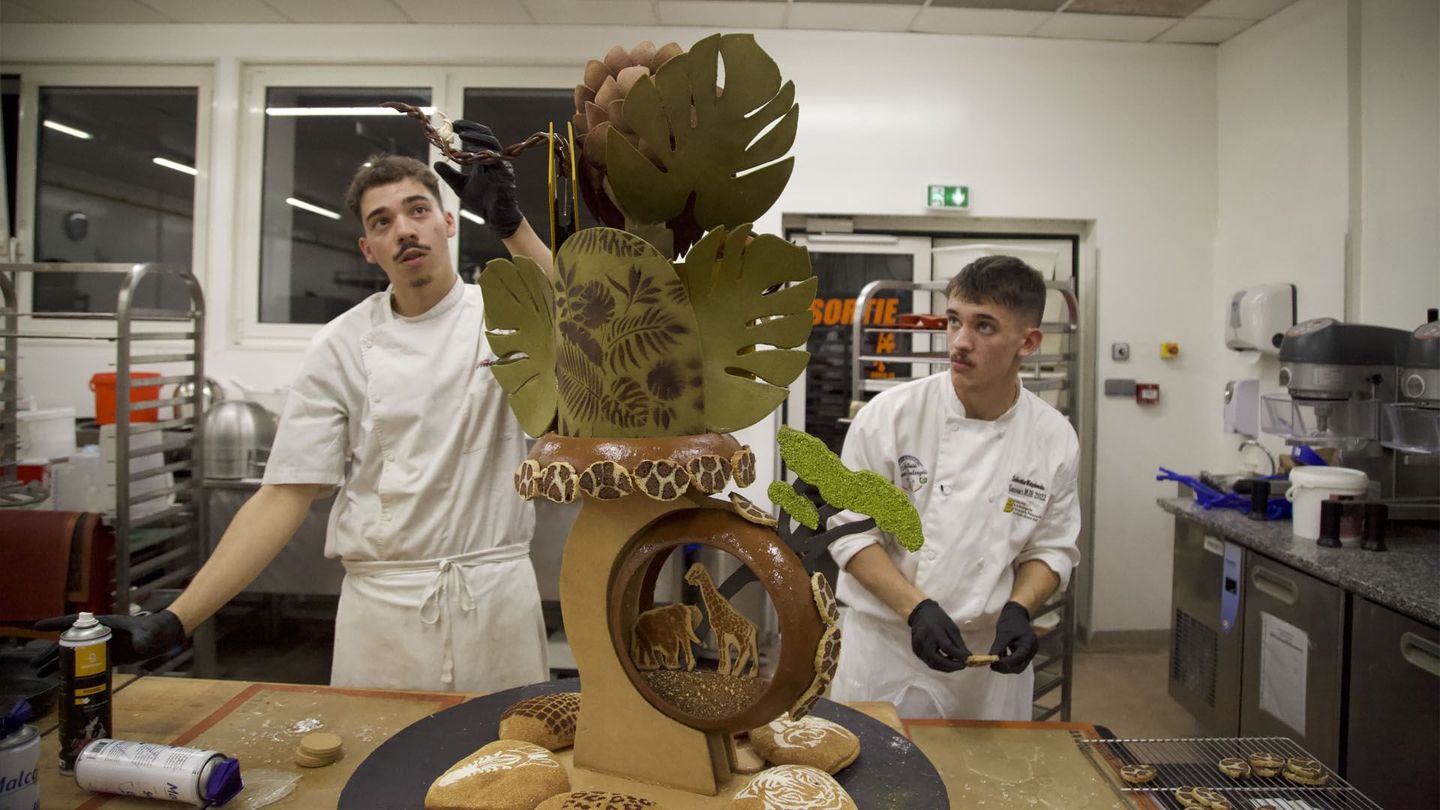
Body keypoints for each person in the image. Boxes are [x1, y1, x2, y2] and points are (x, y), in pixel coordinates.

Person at [38, 122, 557, 693]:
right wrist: (174, 618)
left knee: (516, 770)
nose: (403, 229)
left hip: (496, 597)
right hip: (385, 613)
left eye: (417, 210)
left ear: (449, 221)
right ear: (368, 248)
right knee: (375, 771)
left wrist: (512, 225)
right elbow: (285, 493)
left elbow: (592, 320)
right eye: (381, 222)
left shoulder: (508, 316)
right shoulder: (340, 345)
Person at [826, 255, 1081, 720]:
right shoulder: (889, 418)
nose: (960, 342)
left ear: (1029, 342)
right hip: (887, 649)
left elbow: (1053, 548)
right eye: (954, 321)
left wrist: (1020, 610)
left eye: (985, 327)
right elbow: (851, 534)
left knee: (988, 789)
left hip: (988, 667)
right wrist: (916, 608)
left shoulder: (1053, 437)